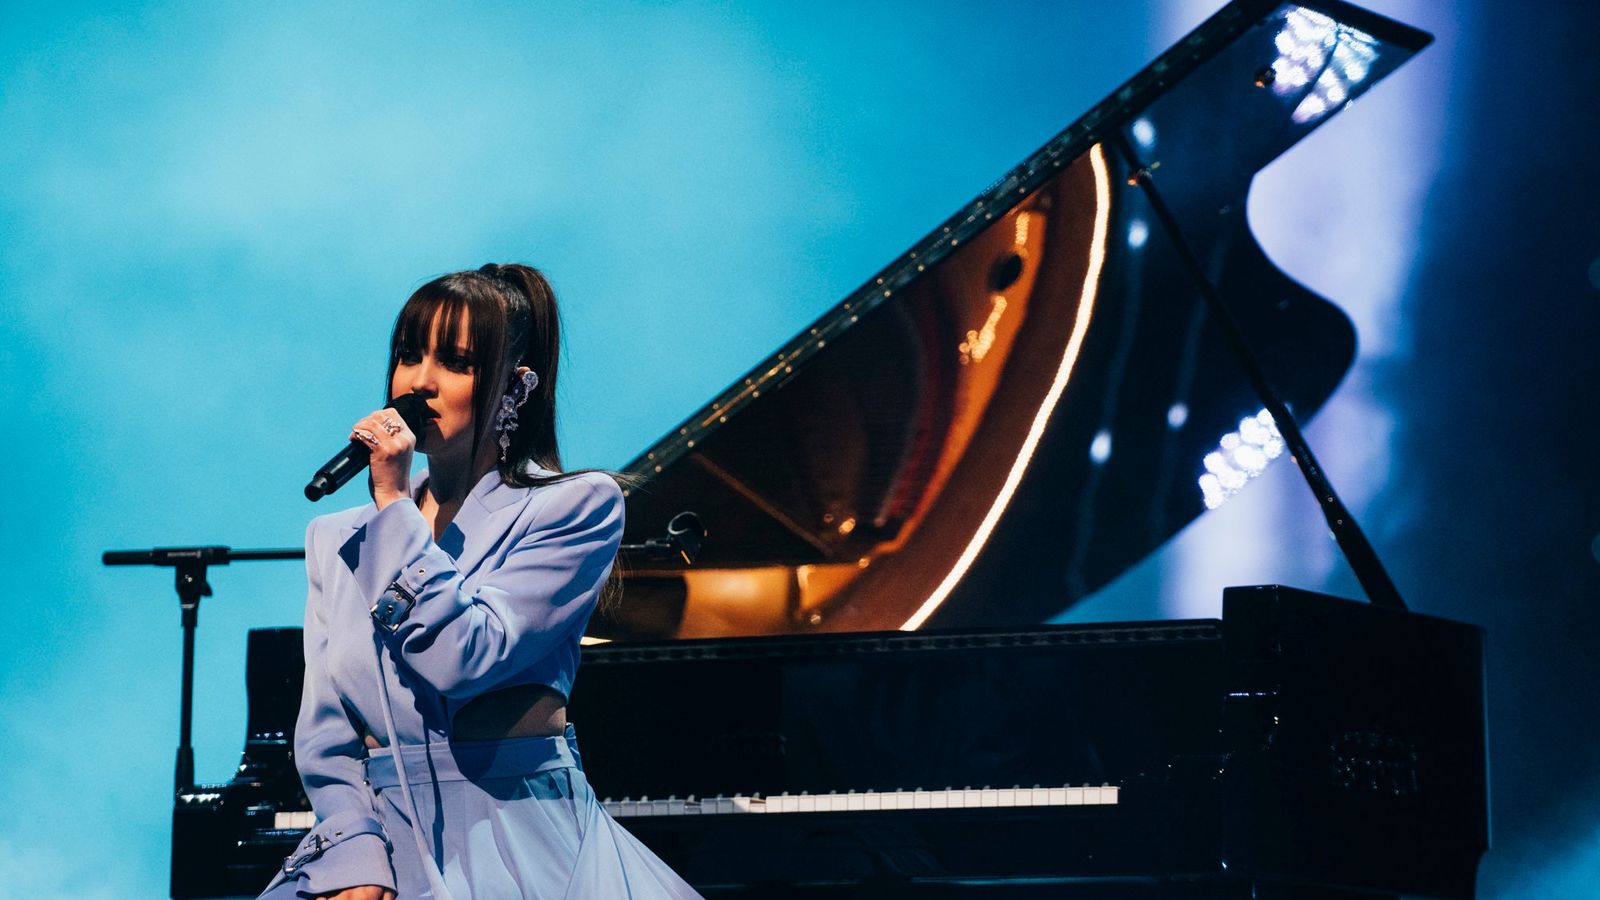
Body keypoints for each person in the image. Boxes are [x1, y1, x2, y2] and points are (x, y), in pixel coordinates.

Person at [260, 264, 700, 899]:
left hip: (514, 839)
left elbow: (466, 656)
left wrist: (393, 507)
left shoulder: (575, 508)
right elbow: (326, 733)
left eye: (457, 362)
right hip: (381, 844)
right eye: (409, 356)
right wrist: (355, 858)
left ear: (516, 387)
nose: (421, 382)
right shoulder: (336, 539)